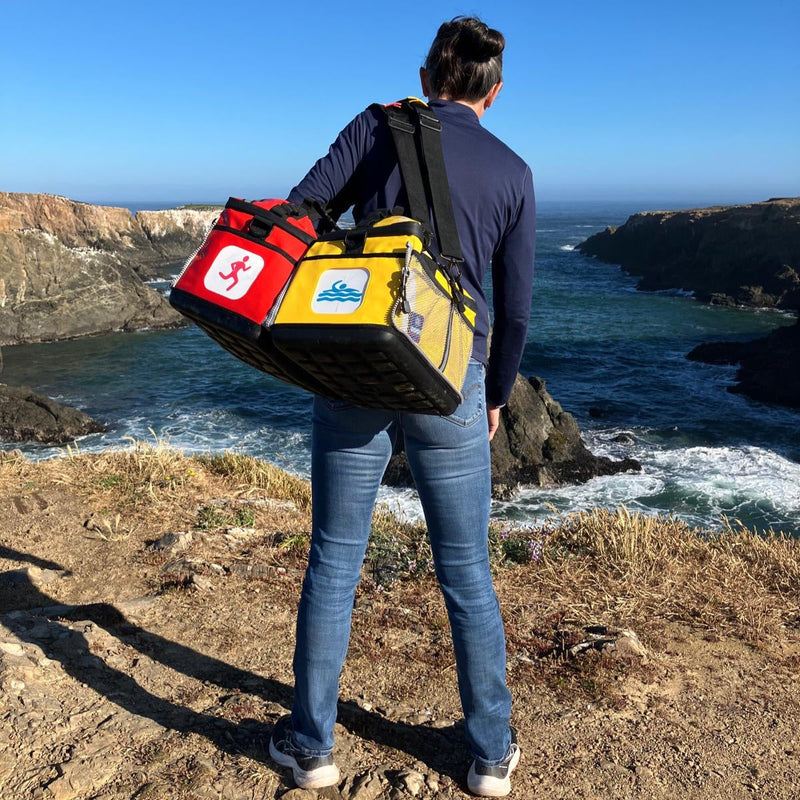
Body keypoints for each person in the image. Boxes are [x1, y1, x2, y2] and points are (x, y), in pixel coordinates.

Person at [268, 16, 535, 798]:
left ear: (428, 75)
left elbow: (302, 210)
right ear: (493, 90)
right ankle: (490, 755)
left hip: (356, 366)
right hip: (452, 377)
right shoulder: (513, 170)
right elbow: (515, 312)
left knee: (334, 562)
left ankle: (311, 747)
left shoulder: (378, 125)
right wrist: (493, 395)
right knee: (466, 572)